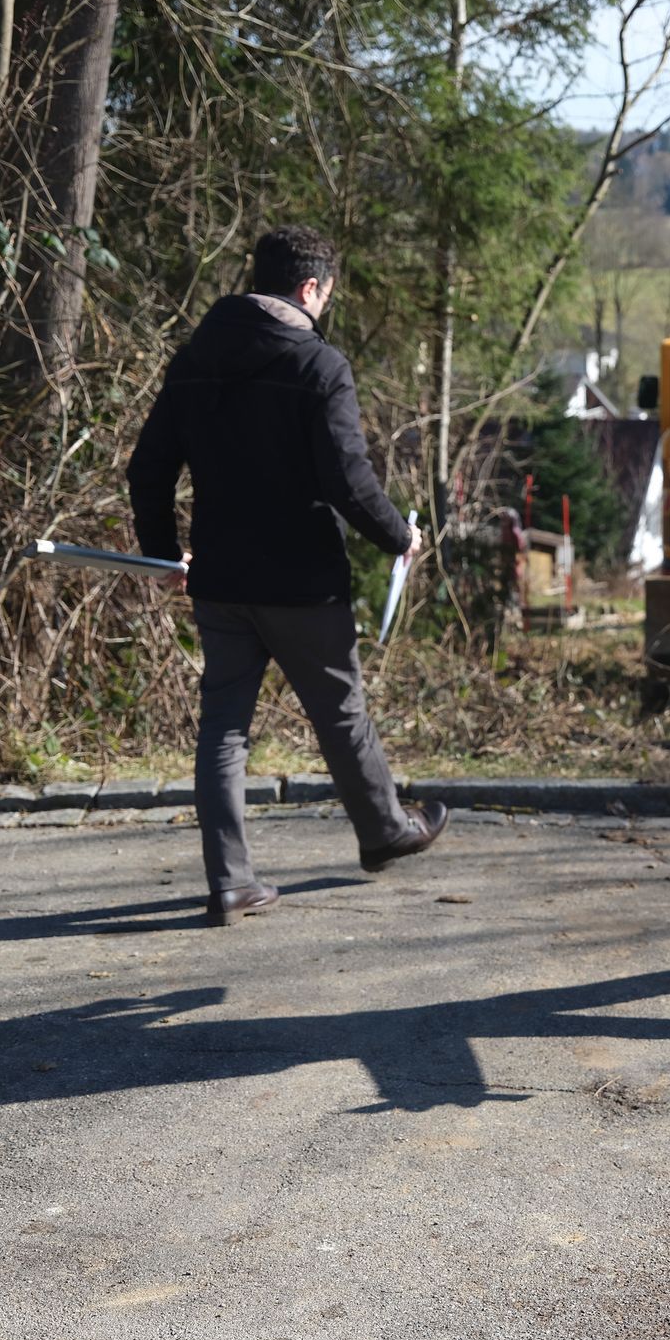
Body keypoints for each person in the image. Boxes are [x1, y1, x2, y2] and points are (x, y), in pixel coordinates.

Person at [128, 224, 449, 926]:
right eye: (326, 295)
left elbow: (147, 469)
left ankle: (231, 882)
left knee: (223, 729)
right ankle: (384, 831)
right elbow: (347, 478)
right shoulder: (318, 364)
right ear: (309, 288)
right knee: (340, 712)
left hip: (221, 579)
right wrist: (401, 537)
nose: (324, 306)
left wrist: (163, 553)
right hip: (304, 581)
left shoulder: (194, 360)